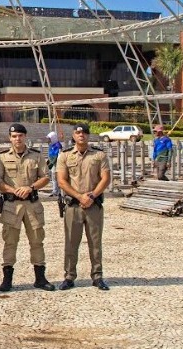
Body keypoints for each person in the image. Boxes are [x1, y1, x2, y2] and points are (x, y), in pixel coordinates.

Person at [0, 123, 55, 292]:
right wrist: (12, 190)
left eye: (20, 135)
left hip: (32, 205)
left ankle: (40, 278)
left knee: (37, 241)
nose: (17, 139)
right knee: (10, 242)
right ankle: (7, 279)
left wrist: (31, 187)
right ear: (9, 138)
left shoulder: (35, 156)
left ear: (25, 137)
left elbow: (45, 177)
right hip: (12, 205)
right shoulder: (2, 158)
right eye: (14, 136)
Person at [56, 123, 111, 292]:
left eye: (84, 132)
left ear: (88, 135)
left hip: (93, 204)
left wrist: (92, 195)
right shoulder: (64, 156)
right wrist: (79, 196)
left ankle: (97, 276)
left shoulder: (99, 155)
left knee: (95, 242)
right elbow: (62, 181)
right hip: (73, 205)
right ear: (73, 135)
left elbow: (105, 178)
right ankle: (69, 276)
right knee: (71, 242)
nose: (81, 135)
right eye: (78, 132)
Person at [47, 131, 62, 197]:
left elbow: (56, 156)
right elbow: (50, 155)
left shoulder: (57, 145)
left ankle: (56, 191)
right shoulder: (51, 145)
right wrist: (48, 162)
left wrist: (50, 164)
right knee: (53, 178)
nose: (48, 140)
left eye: (50, 138)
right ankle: (55, 190)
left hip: (56, 164)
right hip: (52, 163)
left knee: (55, 177)